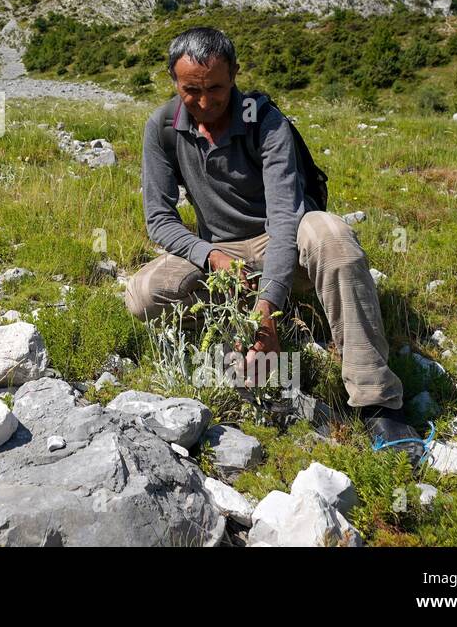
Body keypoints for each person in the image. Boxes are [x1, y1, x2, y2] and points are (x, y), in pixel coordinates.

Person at [124, 26, 418, 450]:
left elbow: (284, 219)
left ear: (236, 75)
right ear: (174, 80)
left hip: (278, 237)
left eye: (217, 89)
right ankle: (241, 330)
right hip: (220, 251)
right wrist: (211, 257)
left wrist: (267, 307)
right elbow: (159, 219)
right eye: (191, 90)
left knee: (331, 235)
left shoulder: (266, 121)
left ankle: (378, 401)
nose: (204, 103)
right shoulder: (162, 126)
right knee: (144, 294)